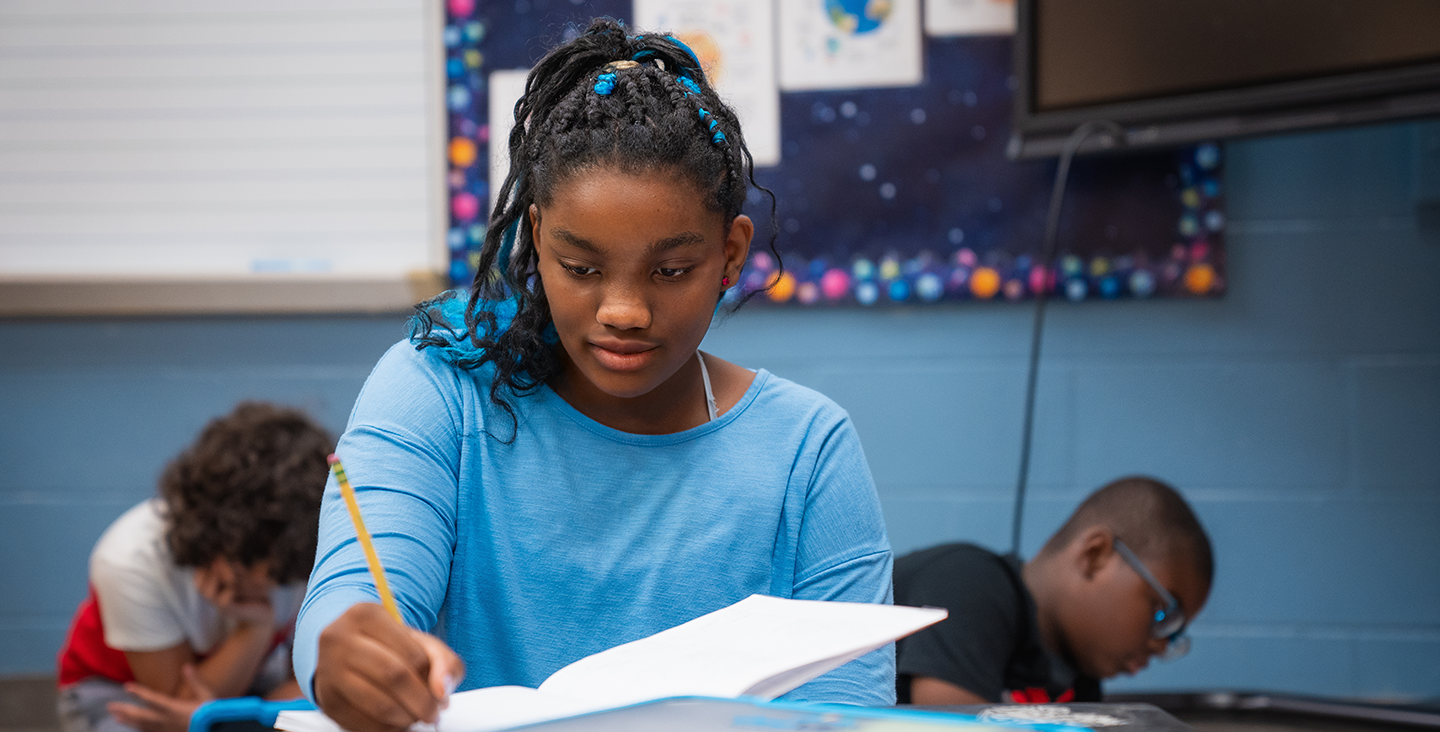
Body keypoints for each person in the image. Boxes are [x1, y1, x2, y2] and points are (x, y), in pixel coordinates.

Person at [292, 18, 893, 732]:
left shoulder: (806, 450)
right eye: (581, 268)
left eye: (671, 270)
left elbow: (850, 712)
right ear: (539, 239)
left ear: (731, 255)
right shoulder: (438, 388)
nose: (624, 310)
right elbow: (355, 596)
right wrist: (349, 652)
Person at [55, 402, 333, 732]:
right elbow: (176, 706)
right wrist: (254, 630)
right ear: (231, 543)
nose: (280, 586)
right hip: (121, 691)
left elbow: (313, 689)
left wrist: (229, 714)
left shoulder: (301, 547)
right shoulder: (130, 559)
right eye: (269, 570)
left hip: (246, 676)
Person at [894, 477, 1213, 705]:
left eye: (1175, 634)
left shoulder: (1079, 680)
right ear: (1096, 556)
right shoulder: (970, 584)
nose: (1160, 646)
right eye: (1163, 613)